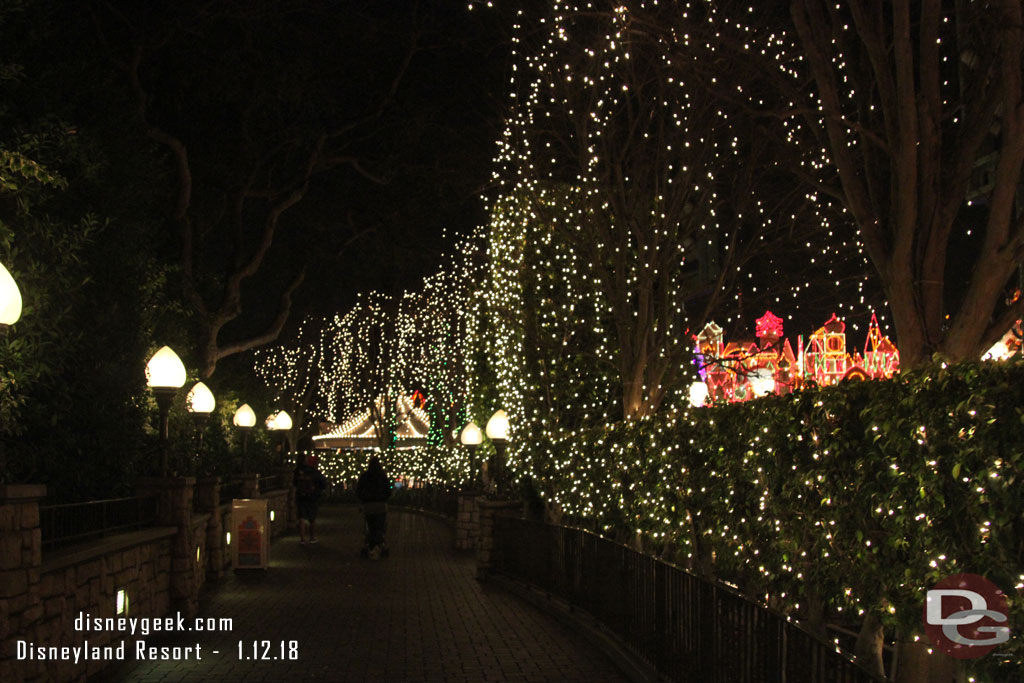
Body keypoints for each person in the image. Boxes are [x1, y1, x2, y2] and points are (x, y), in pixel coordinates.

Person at [356, 455, 392, 559]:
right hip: (380, 505)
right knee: (380, 527)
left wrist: (363, 500)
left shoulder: (365, 476)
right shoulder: (382, 476)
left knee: (369, 527)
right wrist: (384, 498)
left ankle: (370, 545)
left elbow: (359, 490)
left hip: (368, 505)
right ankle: (379, 544)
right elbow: (388, 490)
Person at [293, 442, 328, 545]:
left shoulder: (299, 471)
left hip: (301, 496)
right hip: (313, 497)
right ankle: (312, 537)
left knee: (302, 517)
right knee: (312, 518)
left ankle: (302, 539)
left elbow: (294, 483)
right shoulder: (315, 472)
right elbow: (323, 484)